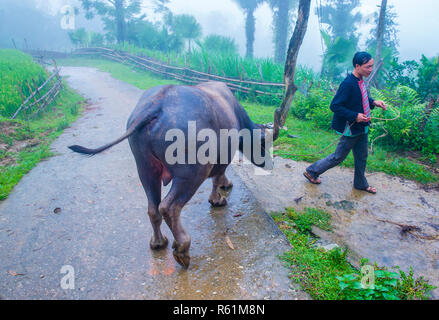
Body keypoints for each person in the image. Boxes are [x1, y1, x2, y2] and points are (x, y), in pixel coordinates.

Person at [303, 52, 387, 194]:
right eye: (368, 67)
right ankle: (311, 171)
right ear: (357, 66)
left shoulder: (361, 81)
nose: (370, 70)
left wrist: (374, 102)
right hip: (352, 128)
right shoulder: (348, 83)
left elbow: (360, 99)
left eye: (372, 66)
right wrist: (355, 116)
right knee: (338, 157)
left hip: (363, 127)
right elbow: (335, 106)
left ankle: (360, 184)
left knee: (362, 157)